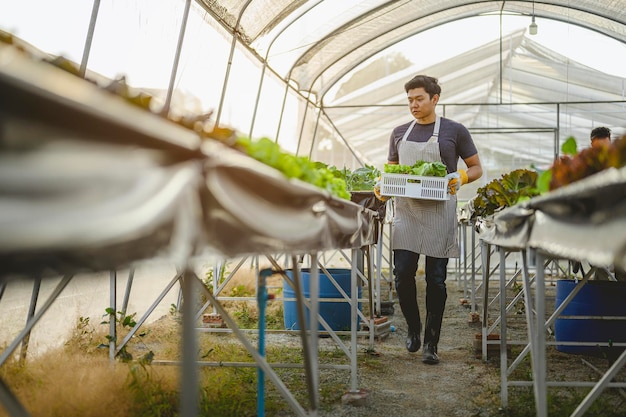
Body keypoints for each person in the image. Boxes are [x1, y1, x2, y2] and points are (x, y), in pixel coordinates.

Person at [378, 75, 483, 364]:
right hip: (408, 211)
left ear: (434, 99)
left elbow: (476, 168)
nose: (413, 104)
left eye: (419, 99)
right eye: (410, 99)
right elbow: (393, 170)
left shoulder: (454, 131)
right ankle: (413, 327)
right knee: (402, 275)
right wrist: (383, 185)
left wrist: (460, 177)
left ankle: (431, 343)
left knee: (436, 280)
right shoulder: (399, 132)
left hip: (440, 210)